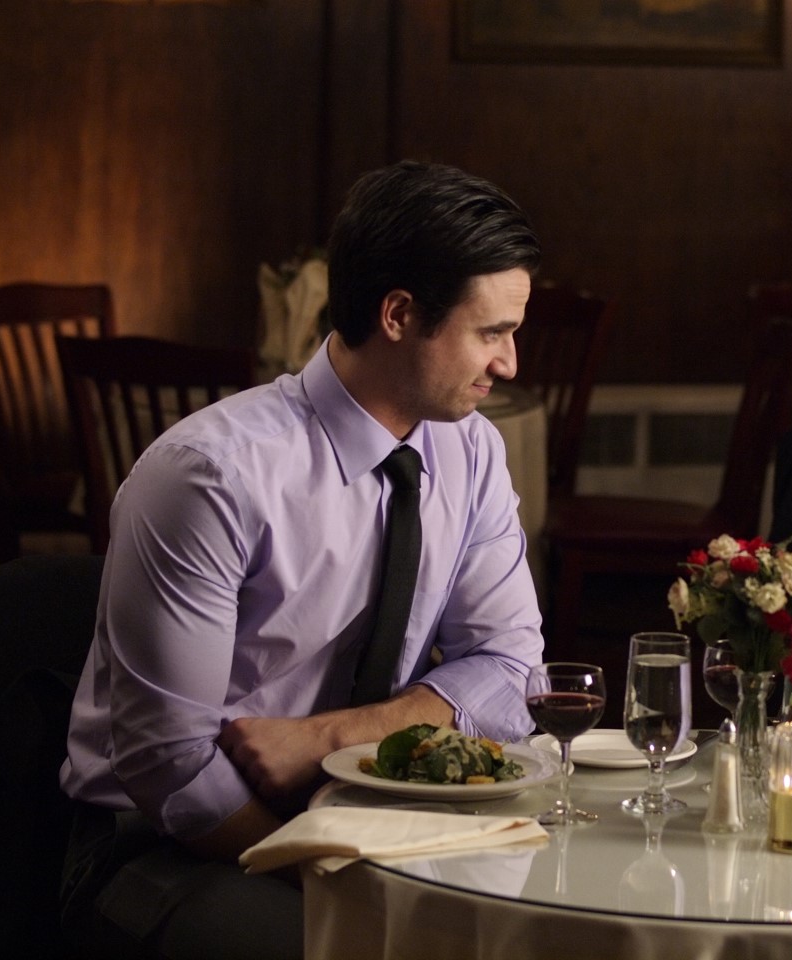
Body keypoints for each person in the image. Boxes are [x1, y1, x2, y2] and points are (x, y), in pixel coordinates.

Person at [58, 160, 545, 959]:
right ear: (398, 315)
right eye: (491, 333)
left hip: (364, 817)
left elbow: (513, 669)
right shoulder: (210, 475)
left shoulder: (472, 454)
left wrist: (328, 738)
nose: (510, 363)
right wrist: (335, 871)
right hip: (164, 846)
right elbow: (171, 768)